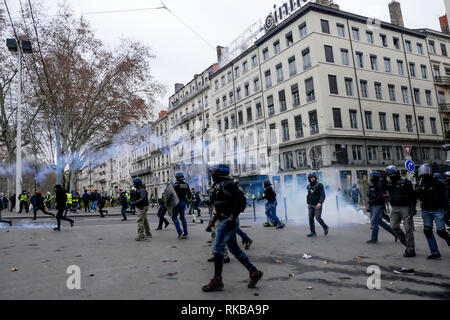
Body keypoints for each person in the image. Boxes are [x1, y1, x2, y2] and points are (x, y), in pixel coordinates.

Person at [202, 164, 263, 292]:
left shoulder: (229, 184)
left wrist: (233, 216)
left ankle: (217, 280)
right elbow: (219, 206)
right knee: (234, 249)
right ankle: (254, 272)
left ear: (220, 173)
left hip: (228, 221)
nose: (212, 174)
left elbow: (241, 201)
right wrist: (213, 220)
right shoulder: (218, 185)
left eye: (214, 172)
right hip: (223, 219)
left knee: (217, 248)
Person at [416, 164, 450, 260]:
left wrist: (447, 210)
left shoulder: (439, 183)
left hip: (438, 209)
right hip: (426, 210)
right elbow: (417, 196)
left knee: (441, 232)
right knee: (427, 230)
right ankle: (435, 252)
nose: (424, 173)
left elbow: (445, 197)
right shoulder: (420, 183)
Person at [385, 165, 417, 258]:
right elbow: (382, 186)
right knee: (393, 227)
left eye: (392, 174)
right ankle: (407, 245)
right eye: (389, 174)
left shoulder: (406, 182)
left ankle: (410, 250)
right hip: (395, 207)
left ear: (397, 173)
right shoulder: (389, 183)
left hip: (406, 207)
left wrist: (413, 208)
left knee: (408, 229)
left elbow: (413, 196)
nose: (391, 176)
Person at [366, 172, 397, 244]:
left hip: (378, 205)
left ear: (375, 178)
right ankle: (396, 233)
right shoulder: (373, 185)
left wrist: (373, 200)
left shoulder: (379, 185)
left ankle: (374, 239)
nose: (371, 179)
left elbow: (381, 196)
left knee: (374, 221)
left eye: (372, 177)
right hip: (373, 205)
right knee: (380, 222)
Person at [306, 173, 328, 237]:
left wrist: (320, 203)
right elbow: (308, 195)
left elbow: (322, 195)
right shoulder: (308, 186)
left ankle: (325, 227)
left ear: (315, 177)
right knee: (310, 218)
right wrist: (308, 203)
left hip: (317, 204)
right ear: (309, 179)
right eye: (311, 177)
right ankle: (313, 232)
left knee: (318, 218)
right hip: (310, 204)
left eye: (313, 177)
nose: (312, 178)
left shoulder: (319, 185)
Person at [172, 172, 192, 239]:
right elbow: (189, 194)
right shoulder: (186, 184)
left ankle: (180, 233)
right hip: (183, 203)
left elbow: (171, 195)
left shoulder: (175, 185)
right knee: (182, 217)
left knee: (174, 217)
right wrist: (187, 200)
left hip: (177, 203)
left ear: (177, 178)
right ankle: (186, 233)